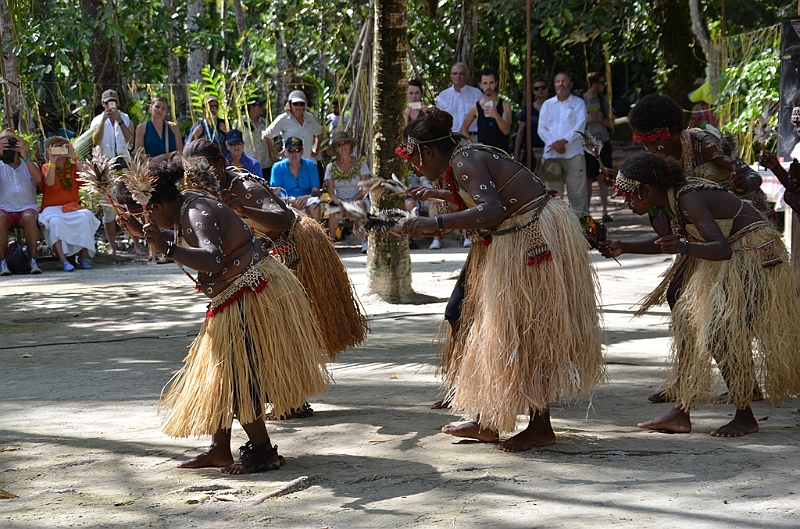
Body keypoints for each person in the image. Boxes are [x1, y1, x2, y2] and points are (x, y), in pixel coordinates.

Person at [398, 108, 603, 452]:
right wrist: (436, 197)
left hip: (531, 236)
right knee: (483, 324)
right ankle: (487, 420)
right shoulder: (465, 158)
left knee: (529, 328)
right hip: (522, 233)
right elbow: (487, 196)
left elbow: (491, 209)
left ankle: (540, 427)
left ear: (428, 152)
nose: (416, 167)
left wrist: (434, 225)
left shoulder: (465, 162)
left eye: (415, 159)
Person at [118, 160, 329, 473]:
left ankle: (263, 452)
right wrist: (145, 234)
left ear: (158, 204)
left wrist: (168, 248)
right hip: (239, 293)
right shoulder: (186, 204)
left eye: (146, 212)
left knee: (237, 375)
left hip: (251, 293)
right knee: (218, 374)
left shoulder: (192, 211)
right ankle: (219, 450)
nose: (147, 218)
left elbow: (213, 258)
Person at [600, 152, 800, 437]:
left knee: (721, 333)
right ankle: (680, 412)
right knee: (686, 317)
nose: (626, 202)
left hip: (754, 256)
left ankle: (745, 415)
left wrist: (683, 247)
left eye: (628, 195)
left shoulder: (688, 199)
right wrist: (624, 245)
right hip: (734, 255)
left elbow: (721, 249)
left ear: (646, 190)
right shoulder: (672, 199)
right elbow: (675, 242)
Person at [181, 139, 367, 379]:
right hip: (266, 259)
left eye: (202, 171)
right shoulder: (204, 196)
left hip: (297, 251)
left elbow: (285, 219)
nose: (197, 180)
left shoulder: (243, 188)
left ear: (220, 164)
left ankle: (293, 394)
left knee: (289, 328)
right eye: (191, 175)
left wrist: (245, 210)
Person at [627, 93, 770, 219]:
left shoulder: (704, 145)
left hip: (744, 221)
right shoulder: (658, 159)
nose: (651, 149)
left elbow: (752, 175)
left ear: (674, 132)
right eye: (646, 144)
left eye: (655, 141)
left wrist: (744, 185)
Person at [39, 137, 100, 271]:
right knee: (55, 222)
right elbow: (49, 182)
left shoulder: (73, 167)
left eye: (63, 147)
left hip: (72, 208)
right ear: (49, 151)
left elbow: (85, 179)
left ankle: (83, 257)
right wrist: (52, 161)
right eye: (56, 147)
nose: (60, 150)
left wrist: (75, 157)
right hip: (52, 210)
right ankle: (64, 260)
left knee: (86, 216)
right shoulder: (46, 167)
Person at [537, 72, 589, 216]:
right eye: (558, 81)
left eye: (564, 81)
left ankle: (581, 231)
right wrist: (554, 144)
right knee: (553, 197)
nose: (561, 84)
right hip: (552, 156)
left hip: (573, 154)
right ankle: (556, 231)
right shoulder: (547, 105)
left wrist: (565, 141)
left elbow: (580, 125)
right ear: (554, 85)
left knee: (578, 196)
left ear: (570, 84)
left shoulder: (578, 103)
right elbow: (542, 129)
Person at [91, 89, 134, 255]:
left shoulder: (125, 118)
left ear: (118, 103)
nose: (111, 105)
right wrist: (104, 121)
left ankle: (136, 244)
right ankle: (112, 247)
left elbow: (130, 140)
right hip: (106, 167)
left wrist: (120, 121)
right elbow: (96, 140)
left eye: (113, 102)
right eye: (108, 102)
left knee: (128, 206)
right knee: (109, 209)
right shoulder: (97, 120)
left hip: (123, 165)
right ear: (103, 104)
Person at [0, 130, 43, 275]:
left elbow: (38, 179)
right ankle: (2, 262)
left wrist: (25, 156)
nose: (10, 148)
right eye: (6, 144)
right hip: (5, 208)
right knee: (0, 219)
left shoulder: (29, 163)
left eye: (12, 143)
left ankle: (33, 260)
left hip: (27, 207)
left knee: (30, 218)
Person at [263, 90, 325, 186]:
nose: (298, 107)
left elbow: (319, 134)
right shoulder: (282, 119)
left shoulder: (310, 118)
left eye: (301, 104)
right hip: (289, 165)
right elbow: (266, 136)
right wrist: (276, 153)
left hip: (309, 164)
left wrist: (316, 150)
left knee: (312, 193)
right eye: (296, 104)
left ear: (305, 105)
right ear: (290, 104)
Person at [324, 131, 371, 252]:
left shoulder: (360, 163)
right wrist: (340, 203)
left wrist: (353, 202)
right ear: (336, 149)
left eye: (345, 143)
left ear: (350, 146)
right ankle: (332, 242)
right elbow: (331, 192)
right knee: (333, 208)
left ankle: (365, 241)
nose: (343, 147)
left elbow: (364, 188)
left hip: (359, 198)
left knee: (360, 205)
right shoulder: (331, 167)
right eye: (339, 145)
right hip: (339, 199)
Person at [583, 72, 614, 222]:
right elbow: (573, 124)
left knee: (603, 177)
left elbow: (612, 123)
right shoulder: (581, 101)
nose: (604, 86)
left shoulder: (604, 101)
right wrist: (586, 119)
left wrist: (602, 120)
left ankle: (605, 212)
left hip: (603, 142)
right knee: (588, 179)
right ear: (594, 84)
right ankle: (587, 213)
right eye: (602, 83)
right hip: (587, 145)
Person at [269, 137, 322, 222]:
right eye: (290, 150)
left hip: (307, 199)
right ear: (285, 152)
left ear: (302, 152)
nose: (294, 154)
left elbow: (316, 191)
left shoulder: (311, 165)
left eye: (297, 150)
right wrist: (290, 201)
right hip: (286, 200)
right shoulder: (277, 167)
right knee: (281, 208)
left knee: (314, 207)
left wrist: (307, 197)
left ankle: (315, 234)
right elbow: (275, 194)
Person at [460, 68, 511, 152]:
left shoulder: (505, 105)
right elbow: (464, 128)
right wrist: (471, 144)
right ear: (481, 85)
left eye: (491, 83)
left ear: (496, 84)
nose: (488, 87)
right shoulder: (476, 107)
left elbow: (506, 131)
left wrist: (496, 115)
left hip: (502, 152)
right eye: (485, 83)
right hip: (483, 154)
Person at [435, 63, 482, 136]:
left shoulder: (477, 94)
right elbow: (438, 120)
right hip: (451, 138)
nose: (458, 76)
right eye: (455, 73)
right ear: (451, 77)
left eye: (462, 73)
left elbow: (483, 118)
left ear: (467, 76)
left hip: (473, 137)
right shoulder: (443, 96)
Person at [134, 96, 183, 163]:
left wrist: (163, 157)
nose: (160, 110)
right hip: (152, 167)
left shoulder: (174, 127)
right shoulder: (142, 128)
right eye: (157, 107)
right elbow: (139, 154)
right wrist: (151, 160)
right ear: (151, 107)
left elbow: (180, 152)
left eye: (163, 108)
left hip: (172, 166)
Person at [513, 75, 548, 170]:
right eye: (537, 88)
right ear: (533, 91)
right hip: (531, 150)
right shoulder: (528, 109)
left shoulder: (553, 107)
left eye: (543, 87)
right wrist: (516, 152)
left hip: (549, 149)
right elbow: (520, 131)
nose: (540, 90)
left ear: (547, 89)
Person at [239, 96, 272, 178]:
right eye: (259, 105)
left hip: (265, 164)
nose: (262, 107)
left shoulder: (265, 122)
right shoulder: (242, 123)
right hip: (250, 165)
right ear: (251, 107)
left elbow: (271, 142)